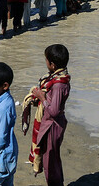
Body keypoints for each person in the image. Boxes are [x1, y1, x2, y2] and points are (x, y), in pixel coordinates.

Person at [21, 44, 71, 186]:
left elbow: (54, 110)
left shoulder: (59, 84)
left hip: (52, 125)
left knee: (50, 160)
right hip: (49, 122)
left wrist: (42, 97)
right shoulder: (58, 78)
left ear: (53, 65)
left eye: (46, 60)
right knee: (50, 156)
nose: (45, 63)